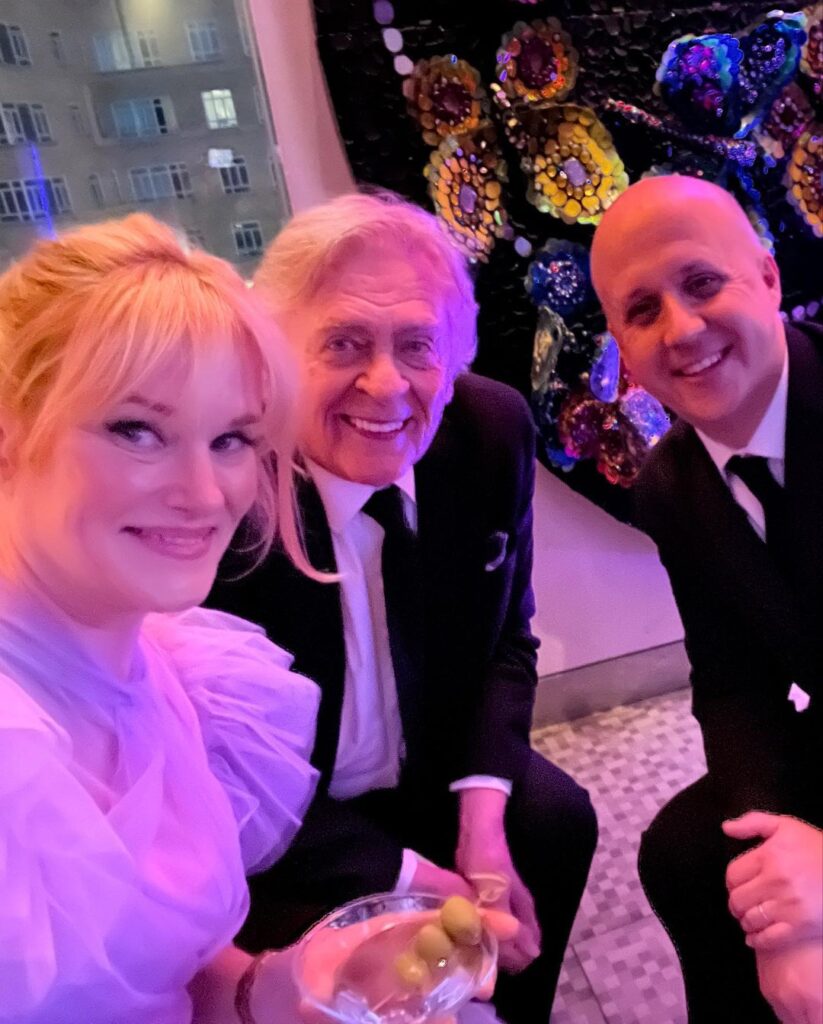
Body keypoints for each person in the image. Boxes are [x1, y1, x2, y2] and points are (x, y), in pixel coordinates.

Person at [207, 190, 598, 1024]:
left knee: (551, 821)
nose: (385, 385)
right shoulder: (220, 492)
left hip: (426, 768)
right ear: (275, 357)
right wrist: (416, 880)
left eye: (417, 345)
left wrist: (481, 828)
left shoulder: (491, 431)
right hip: (284, 828)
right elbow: (214, 778)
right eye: (343, 342)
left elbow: (508, 641)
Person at [0, 212, 326, 1023]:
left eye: (232, 438)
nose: (205, 494)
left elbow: (154, 971)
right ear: (9, 433)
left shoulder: (168, 667)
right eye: (137, 430)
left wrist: (273, 989)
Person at [590, 175, 822, 1024]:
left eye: (701, 283)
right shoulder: (672, 485)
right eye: (641, 310)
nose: (682, 330)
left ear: (767, 277)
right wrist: (775, 878)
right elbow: (731, 683)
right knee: (691, 857)